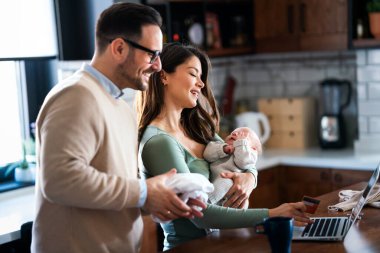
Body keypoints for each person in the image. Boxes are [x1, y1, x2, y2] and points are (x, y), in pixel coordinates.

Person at [31, 3, 205, 253]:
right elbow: (60, 180)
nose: (157, 66)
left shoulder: (121, 107)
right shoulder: (76, 96)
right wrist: (144, 192)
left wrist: (158, 199)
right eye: (151, 55)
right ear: (119, 48)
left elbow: (114, 189)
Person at [137, 43, 311, 250]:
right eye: (193, 74)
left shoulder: (198, 128)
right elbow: (202, 217)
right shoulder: (159, 142)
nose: (201, 84)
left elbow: (242, 159)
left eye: (202, 77)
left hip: (220, 245)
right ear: (164, 76)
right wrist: (274, 213)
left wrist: (251, 177)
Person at [204, 126, 261, 208]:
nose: (234, 133)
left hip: (232, 185)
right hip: (213, 182)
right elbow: (207, 155)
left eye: (242, 135)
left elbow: (243, 162)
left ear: (253, 148)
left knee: (227, 182)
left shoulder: (250, 155)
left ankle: (207, 201)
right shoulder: (219, 145)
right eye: (233, 132)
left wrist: (240, 144)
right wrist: (223, 149)